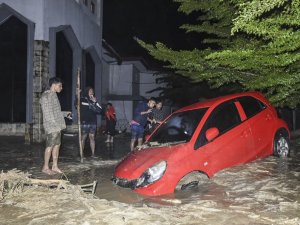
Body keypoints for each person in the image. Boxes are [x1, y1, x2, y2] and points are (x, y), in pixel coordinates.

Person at [40, 77, 71, 175]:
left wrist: (66, 114)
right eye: (60, 86)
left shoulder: (54, 95)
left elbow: (56, 112)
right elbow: (48, 114)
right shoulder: (46, 96)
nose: (61, 88)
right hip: (52, 127)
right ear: (53, 85)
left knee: (57, 146)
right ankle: (45, 167)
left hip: (57, 126)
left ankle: (54, 166)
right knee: (49, 146)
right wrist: (55, 125)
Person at [79, 87, 102, 158]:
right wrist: (77, 95)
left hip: (93, 122)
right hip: (85, 121)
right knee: (83, 137)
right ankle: (81, 154)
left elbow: (100, 110)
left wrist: (95, 102)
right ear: (87, 92)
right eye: (90, 91)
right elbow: (76, 104)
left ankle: (93, 154)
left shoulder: (94, 101)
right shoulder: (82, 99)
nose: (92, 92)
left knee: (92, 137)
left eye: (92, 91)